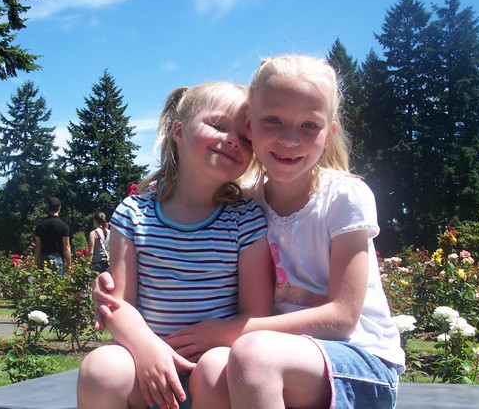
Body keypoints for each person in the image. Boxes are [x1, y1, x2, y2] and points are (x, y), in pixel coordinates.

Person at [93, 55, 405, 408]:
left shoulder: (343, 195)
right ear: (253, 127)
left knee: (249, 356)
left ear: (329, 133)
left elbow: (342, 317)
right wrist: (109, 301)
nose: (290, 139)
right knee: (243, 359)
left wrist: (227, 332)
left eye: (309, 125)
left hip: (357, 357)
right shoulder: (245, 200)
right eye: (272, 120)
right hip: (272, 357)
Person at [76, 82, 274, 409]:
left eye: (245, 137)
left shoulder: (246, 220)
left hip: (211, 374)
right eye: (219, 126)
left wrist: (215, 339)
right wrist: (147, 349)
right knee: (101, 369)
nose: (233, 140)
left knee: (217, 368)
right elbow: (118, 303)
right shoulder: (133, 212)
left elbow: (255, 316)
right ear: (179, 132)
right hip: (146, 368)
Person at [34, 197, 71, 276]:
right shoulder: (63, 226)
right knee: (57, 286)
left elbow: (38, 246)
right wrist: (69, 264)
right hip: (57, 258)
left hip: (43, 258)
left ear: (48, 208)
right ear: (59, 208)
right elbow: (66, 247)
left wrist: (36, 262)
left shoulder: (40, 225)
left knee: (43, 286)